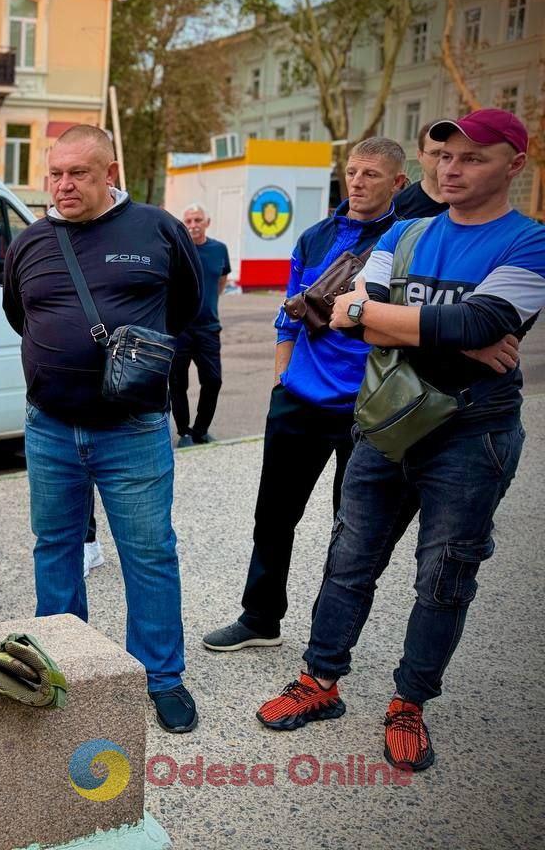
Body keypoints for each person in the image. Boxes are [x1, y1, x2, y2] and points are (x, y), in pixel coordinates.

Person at [257, 108, 543, 772]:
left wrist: (382, 314)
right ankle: (319, 683)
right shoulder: (409, 231)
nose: (452, 168)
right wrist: (434, 326)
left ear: (514, 165)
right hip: (386, 428)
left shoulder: (530, 241)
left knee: (443, 578)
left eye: (473, 158)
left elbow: (486, 320)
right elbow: (343, 316)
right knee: (348, 561)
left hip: (472, 436)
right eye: (444, 156)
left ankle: (409, 703)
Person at [2, 124, 203, 733]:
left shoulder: (158, 229)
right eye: (55, 173)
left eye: (79, 174)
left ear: (109, 173)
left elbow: (187, 308)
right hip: (50, 428)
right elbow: (21, 315)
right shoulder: (29, 243)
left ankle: (160, 676)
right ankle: (63, 662)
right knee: (55, 546)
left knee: (148, 553)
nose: (64, 185)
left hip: (133, 429)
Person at [201, 137, 408, 653]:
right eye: (353, 172)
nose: (358, 182)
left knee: (353, 529)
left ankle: (330, 634)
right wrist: (280, 381)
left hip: (368, 408)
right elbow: (286, 318)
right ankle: (260, 617)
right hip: (298, 402)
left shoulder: (407, 242)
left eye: (372, 175)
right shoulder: (315, 237)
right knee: (273, 515)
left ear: (398, 183)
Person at [170, 204, 231, 447]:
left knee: (213, 381)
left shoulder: (219, 250)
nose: (193, 225)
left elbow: (221, 280)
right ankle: (184, 432)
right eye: (188, 221)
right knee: (177, 383)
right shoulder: (176, 249)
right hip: (180, 330)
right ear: (183, 224)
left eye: (198, 220)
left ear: (207, 222)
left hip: (208, 329)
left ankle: (201, 430)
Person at [392, 120, 449, 220]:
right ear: (420, 155)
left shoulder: (473, 203)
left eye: (448, 154)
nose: (443, 160)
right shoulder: (398, 205)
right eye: (435, 153)